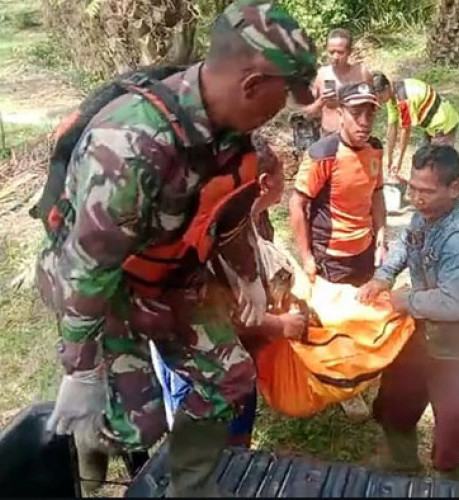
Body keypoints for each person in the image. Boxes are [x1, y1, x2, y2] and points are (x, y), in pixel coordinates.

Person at [34, 1, 316, 496]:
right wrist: (82, 368)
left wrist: (247, 272)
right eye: (282, 96)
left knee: (228, 376)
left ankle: (190, 490)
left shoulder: (231, 127)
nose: (283, 109)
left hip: (170, 276)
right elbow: (87, 267)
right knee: (136, 424)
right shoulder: (130, 145)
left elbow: (226, 207)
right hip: (108, 287)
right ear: (251, 85)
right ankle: (87, 453)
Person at [358, 145, 459, 480]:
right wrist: (383, 276)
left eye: (427, 192)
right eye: (413, 188)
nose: (417, 198)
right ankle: (403, 461)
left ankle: (447, 484)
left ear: (454, 189)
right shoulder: (425, 213)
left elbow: (453, 304)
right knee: (394, 404)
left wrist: (406, 300)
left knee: (451, 433)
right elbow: (407, 242)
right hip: (423, 331)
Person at [149, 134, 288, 448]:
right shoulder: (205, 236)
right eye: (283, 178)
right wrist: (279, 325)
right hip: (198, 359)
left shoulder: (254, 219)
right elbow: (218, 316)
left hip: (228, 359)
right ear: (263, 183)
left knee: (235, 428)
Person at [289, 82, 387, 420]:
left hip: (365, 249)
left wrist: (383, 234)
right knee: (336, 323)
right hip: (330, 253)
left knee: (364, 314)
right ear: (340, 114)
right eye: (356, 113)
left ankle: (361, 370)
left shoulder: (375, 149)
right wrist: (306, 257)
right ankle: (344, 387)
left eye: (369, 114)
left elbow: (377, 194)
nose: (363, 121)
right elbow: (297, 204)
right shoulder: (322, 154)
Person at [372, 71, 459, 177]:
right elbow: (392, 128)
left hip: (443, 124)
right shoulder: (391, 97)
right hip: (431, 127)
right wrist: (390, 158)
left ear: (387, 87)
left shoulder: (403, 100)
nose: (380, 102)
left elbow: (405, 130)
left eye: (381, 98)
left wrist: (399, 160)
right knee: (421, 162)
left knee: (437, 168)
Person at [301, 28, 372, 136]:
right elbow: (307, 113)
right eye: (331, 52)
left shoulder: (361, 74)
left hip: (356, 137)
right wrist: (321, 101)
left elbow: (373, 107)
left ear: (349, 52)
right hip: (329, 135)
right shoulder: (322, 75)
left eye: (340, 52)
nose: (335, 57)